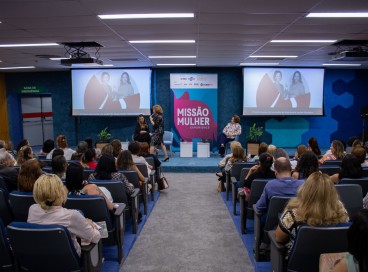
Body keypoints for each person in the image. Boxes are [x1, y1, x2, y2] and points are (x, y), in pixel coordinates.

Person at [275, 172, 349, 260]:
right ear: (332, 192)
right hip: (333, 264)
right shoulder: (341, 211)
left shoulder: (292, 214)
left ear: (305, 189)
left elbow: (279, 238)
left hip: (299, 264)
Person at [28, 174, 101, 256]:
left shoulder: (32, 209)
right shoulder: (72, 216)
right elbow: (96, 237)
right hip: (69, 263)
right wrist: (91, 225)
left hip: (39, 257)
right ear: (60, 192)